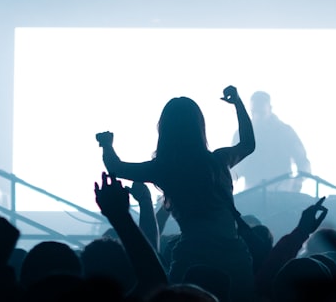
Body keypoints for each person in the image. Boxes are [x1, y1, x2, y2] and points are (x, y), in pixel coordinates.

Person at [96, 86, 256, 302]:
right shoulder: (218, 161)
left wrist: (106, 145)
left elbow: (116, 168)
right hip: (234, 256)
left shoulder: (163, 168)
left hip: (191, 257)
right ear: (200, 126)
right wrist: (237, 103)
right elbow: (248, 144)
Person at [232, 92, 310, 193]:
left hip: (283, 194)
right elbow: (235, 169)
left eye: (261, 113)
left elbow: (303, 161)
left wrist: (298, 181)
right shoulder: (241, 134)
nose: (257, 116)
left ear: (270, 108)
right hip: (253, 194)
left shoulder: (285, 132)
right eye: (254, 112)